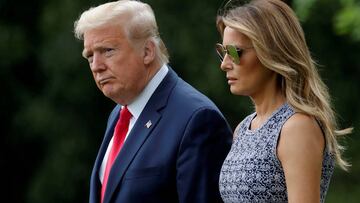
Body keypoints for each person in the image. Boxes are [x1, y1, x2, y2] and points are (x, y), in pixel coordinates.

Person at [74, 0, 232, 203]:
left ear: (147, 51)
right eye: (89, 56)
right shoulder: (119, 114)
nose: (96, 66)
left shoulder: (197, 119)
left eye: (107, 51)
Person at [215, 0, 352, 202]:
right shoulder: (243, 128)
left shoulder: (297, 127)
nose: (225, 64)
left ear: (270, 51)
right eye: (223, 52)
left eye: (235, 52)